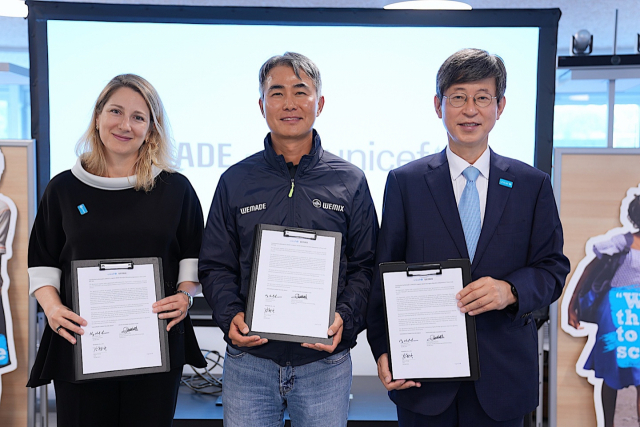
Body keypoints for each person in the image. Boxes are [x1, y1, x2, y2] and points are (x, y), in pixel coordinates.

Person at [366, 48, 570, 426]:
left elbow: (553, 268)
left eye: (482, 98)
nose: (470, 110)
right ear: (438, 104)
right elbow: (383, 274)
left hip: (504, 382)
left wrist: (510, 289)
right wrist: (382, 349)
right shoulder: (406, 183)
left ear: (500, 105)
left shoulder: (532, 185)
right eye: (458, 97)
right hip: (422, 381)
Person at [199, 52, 378, 427]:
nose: (290, 103)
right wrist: (229, 314)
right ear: (261, 104)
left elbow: (366, 265)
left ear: (320, 103)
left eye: (301, 91)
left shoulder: (351, 181)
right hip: (250, 363)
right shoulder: (235, 180)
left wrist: (344, 318)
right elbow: (216, 264)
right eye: (276, 92)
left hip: (324, 364)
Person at [27, 74, 206, 427]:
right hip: (80, 344)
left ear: (151, 129)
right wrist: (52, 308)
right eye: (116, 111)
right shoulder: (63, 188)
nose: (125, 125)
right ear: (97, 117)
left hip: (154, 347)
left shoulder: (176, 189)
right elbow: (43, 263)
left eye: (139, 117)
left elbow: (194, 259)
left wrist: (185, 297)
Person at [568, 194, 640, 427]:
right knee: (611, 370)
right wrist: (572, 306)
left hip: (638, 313)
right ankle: (607, 424)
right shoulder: (622, 241)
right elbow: (589, 270)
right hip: (615, 311)